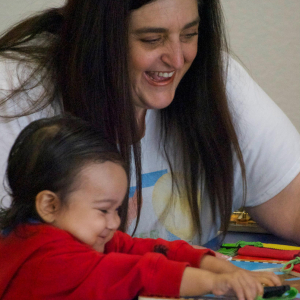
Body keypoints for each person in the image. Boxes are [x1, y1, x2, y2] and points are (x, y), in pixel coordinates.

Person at [0, 0, 299, 246]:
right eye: (152, 39)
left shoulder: (215, 80)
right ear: (97, 37)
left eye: (189, 34)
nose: (178, 59)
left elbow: (293, 207)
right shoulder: (12, 95)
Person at [0, 115, 281, 300]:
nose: (113, 223)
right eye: (103, 210)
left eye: (117, 211)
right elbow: (139, 271)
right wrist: (215, 283)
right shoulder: (49, 258)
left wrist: (220, 268)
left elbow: (141, 249)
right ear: (50, 205)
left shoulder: (71, 234)